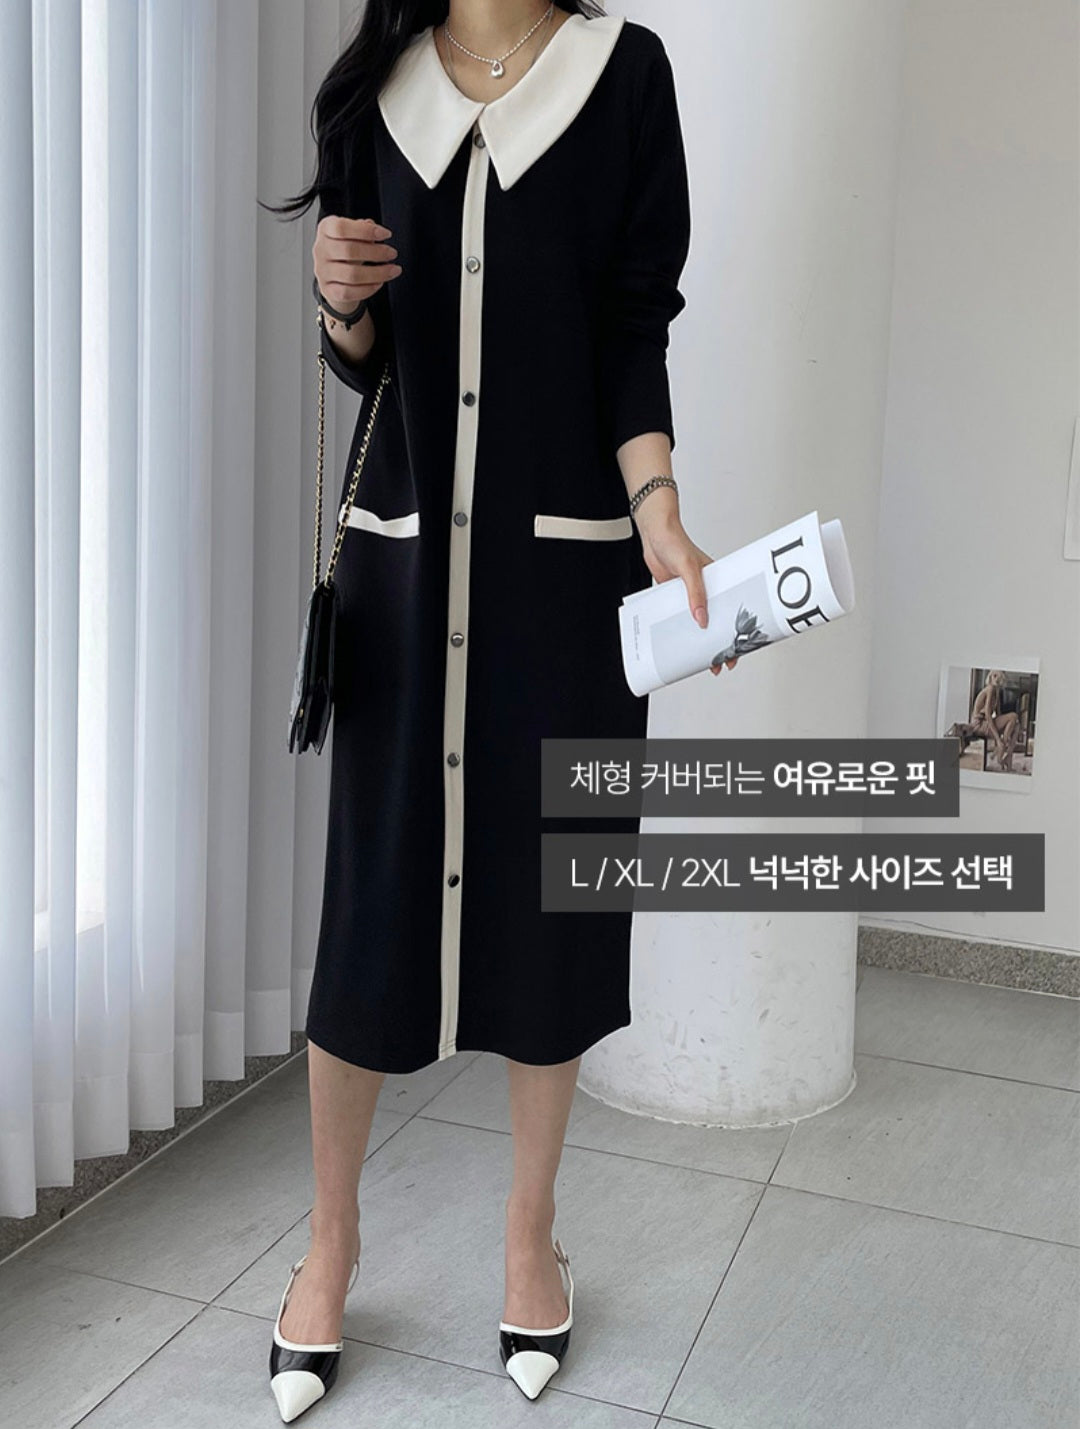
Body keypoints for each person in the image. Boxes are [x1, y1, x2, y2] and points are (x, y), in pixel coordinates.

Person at [263, 2, 738, 1419]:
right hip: (406, 581)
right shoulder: (376, 90)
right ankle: (330, 1240)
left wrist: (659, 512)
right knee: (371, 912)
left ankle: (531, 1234)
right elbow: (367, 360)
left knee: (549, 908)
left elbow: (632, 328)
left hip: (564, 581)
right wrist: (339, 299)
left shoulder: (623, 75)